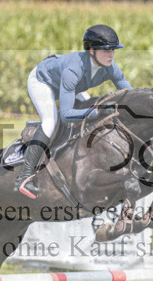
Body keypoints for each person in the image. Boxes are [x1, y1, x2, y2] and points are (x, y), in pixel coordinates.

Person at [14, 24, 133, 199]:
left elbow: (130, 95)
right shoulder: (73, 70)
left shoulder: (110, 67)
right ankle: (25, 176)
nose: (111, 55)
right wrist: (96, 112)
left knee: (92, 111)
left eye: (113, 50)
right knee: (51, 121)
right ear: (91, 50)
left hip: (71, 85)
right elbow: (66, 114)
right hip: (43, 81)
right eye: (106, 50)